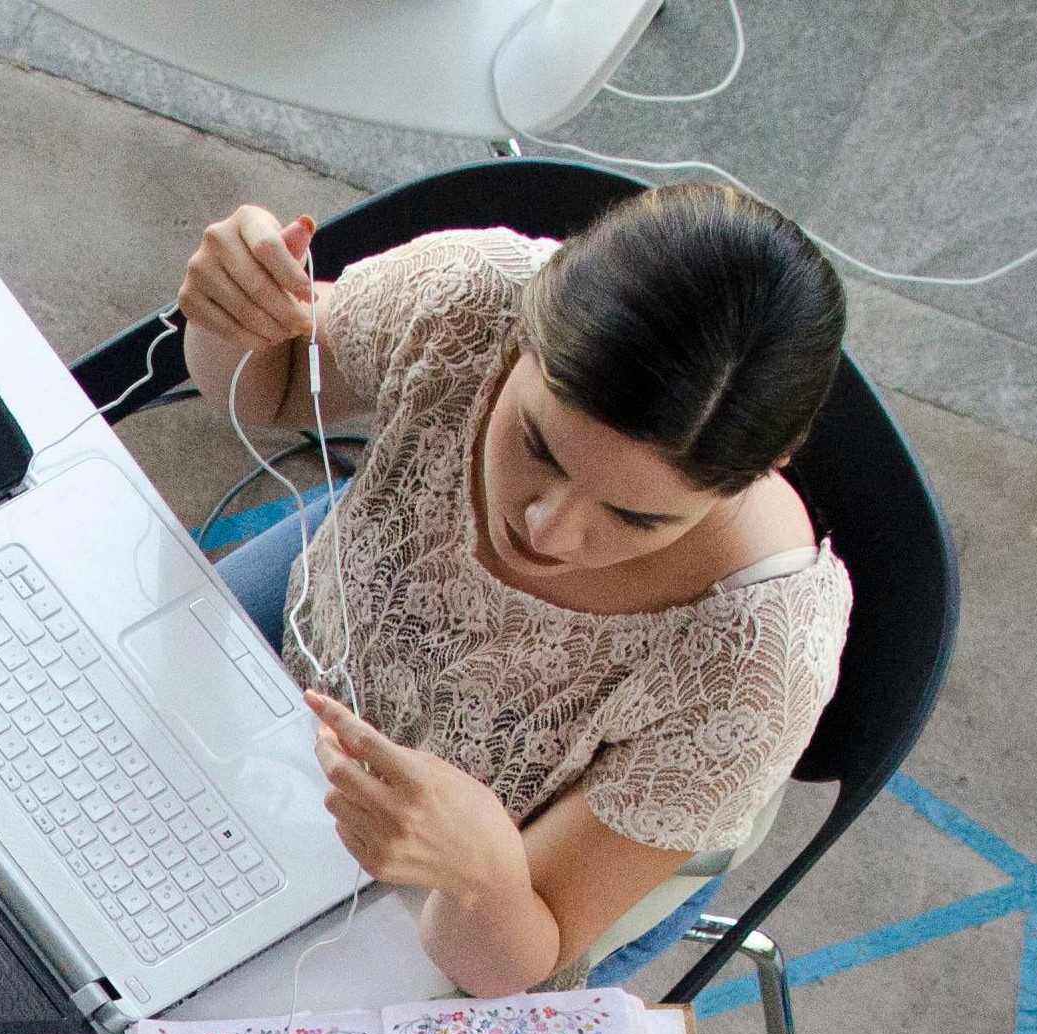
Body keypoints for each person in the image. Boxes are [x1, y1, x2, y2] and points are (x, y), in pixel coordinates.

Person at [177, 184, 853, 993]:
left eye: (634, 517)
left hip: (495, 890)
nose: (546, 528)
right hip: (316, 628)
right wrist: (232, 314)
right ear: (523, 331)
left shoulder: (756, 660)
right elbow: (273, 388)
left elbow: (513, 960)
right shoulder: (467, 301)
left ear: (751, 480)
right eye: (539, 443)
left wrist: (481, 871)